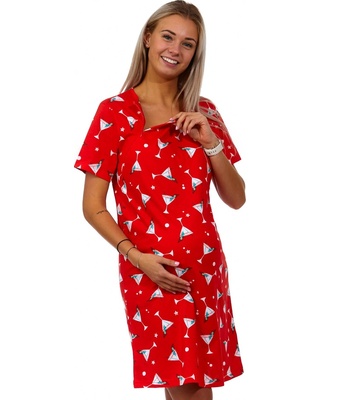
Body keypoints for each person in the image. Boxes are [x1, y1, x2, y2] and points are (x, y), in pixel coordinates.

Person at [74, 1, 246, 399]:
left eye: (188, 43)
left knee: (191, 383)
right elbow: (93, 207)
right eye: (168, 36)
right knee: (188, 386)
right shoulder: (114, 113)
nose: (175, 49)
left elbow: (236, 198)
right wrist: (137, 258)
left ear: (195, 53)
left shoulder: (206, 112)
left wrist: (210, 141)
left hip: (205, 269)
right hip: (151, 272)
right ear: (148, 39)